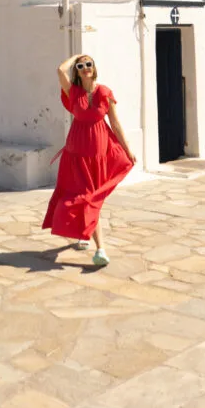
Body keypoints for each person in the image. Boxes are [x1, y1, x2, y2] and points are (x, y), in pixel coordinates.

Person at [42, 53, 136, 267]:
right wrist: (76, 57)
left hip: (99, 156)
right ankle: (100, 249)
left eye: (89, 64)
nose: (86, 68)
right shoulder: (73, 92)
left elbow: (115, 123)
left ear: (94, 68)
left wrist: (127, 149)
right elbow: (59, 70)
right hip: (76, 156)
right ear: (77, 70)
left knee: (91, 199)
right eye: (82, 66)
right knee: (85, 198)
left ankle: (84, 236)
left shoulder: (104, 93)